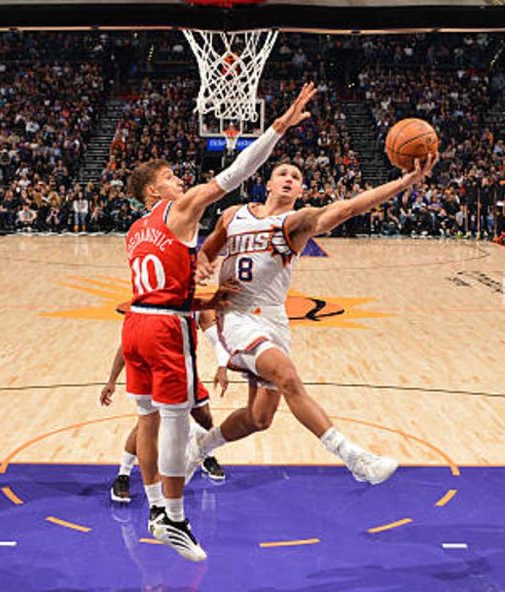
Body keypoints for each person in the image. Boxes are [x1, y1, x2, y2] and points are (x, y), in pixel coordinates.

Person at [121, 83, 317, 562]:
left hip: (135, 324)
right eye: (170, 177)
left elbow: (163, 284)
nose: (179, 180)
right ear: (155, 191)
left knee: (146, 418)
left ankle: (152, 508)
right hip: (166, 329)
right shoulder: (179, 210)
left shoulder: (134, 230)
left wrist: (202, 286)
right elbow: (236, 172)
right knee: (173, 422)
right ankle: (174, 516)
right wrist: (278, 128)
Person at [188, 154, 437, 487]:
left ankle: (200, 446)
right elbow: (207, 250)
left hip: (274, 317)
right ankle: (355, 458)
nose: (289, 178)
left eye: (296, 176)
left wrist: (404, 183)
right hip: (237, 314)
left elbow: (348, 208)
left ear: (301, 190)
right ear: (270, 183)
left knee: (260, 418)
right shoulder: (235, 215)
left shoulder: (297, 222)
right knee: (287, 375)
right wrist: (202, 263)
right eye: (283, 173)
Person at [102, 310, 231, 503]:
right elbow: (126, 346)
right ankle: (123, 475)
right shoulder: (148, 305)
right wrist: (111, 380)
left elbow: (216, 340)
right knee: (145, 426)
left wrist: (222, 366)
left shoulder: (197, 308)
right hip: (155, 377)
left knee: (204, 416)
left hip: (184, 374)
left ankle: (207, 455)